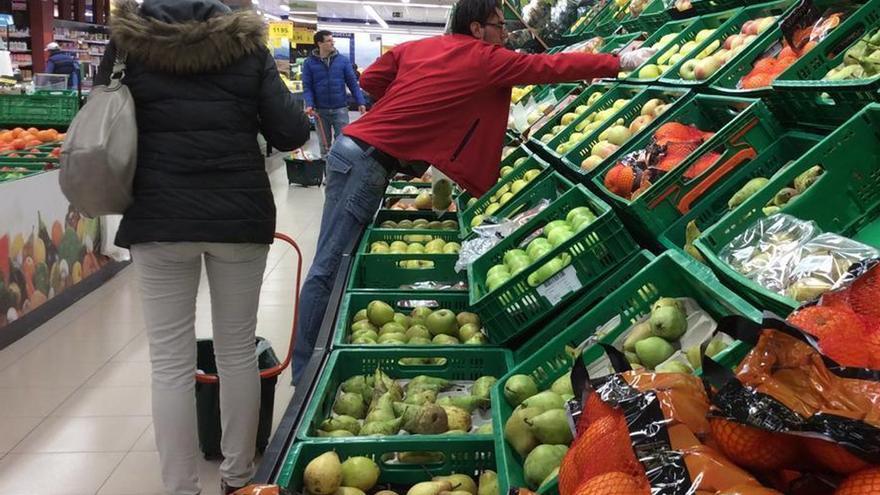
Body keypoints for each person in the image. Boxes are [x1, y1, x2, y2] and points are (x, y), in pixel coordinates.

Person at [290, 0, 656, 382]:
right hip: (365, 164)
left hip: (351, 153)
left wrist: (411, 107)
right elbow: (549, 67)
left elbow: (371, 81)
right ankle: (304, 374)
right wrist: (617, 62)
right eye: (500, 26)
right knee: (328, 268)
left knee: (329, 263)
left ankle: (306, 365)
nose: (506, 35)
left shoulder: (422, 47)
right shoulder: (487, 58)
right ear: (478, 29)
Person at [95, 1, 310, 494]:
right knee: (237, 351)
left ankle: (179, 488)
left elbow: (100, 116)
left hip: (158, 214)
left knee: (170, 362)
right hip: (238, 215)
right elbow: (291, 130)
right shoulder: (246, 44)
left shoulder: (128, 42)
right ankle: (238, 479)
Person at [301, 31, 367, 156]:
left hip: (340, 109)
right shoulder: (309, 63)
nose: (333, 43)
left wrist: (361, 102)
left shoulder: (343, 61)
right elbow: (307, 86)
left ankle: (341, 173)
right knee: (325, 146)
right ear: (319, 43)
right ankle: (328, 173)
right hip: (320, 111)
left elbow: (352, 83)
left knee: (343, 144)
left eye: (332, 40)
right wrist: (309, 104)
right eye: (329, 41)